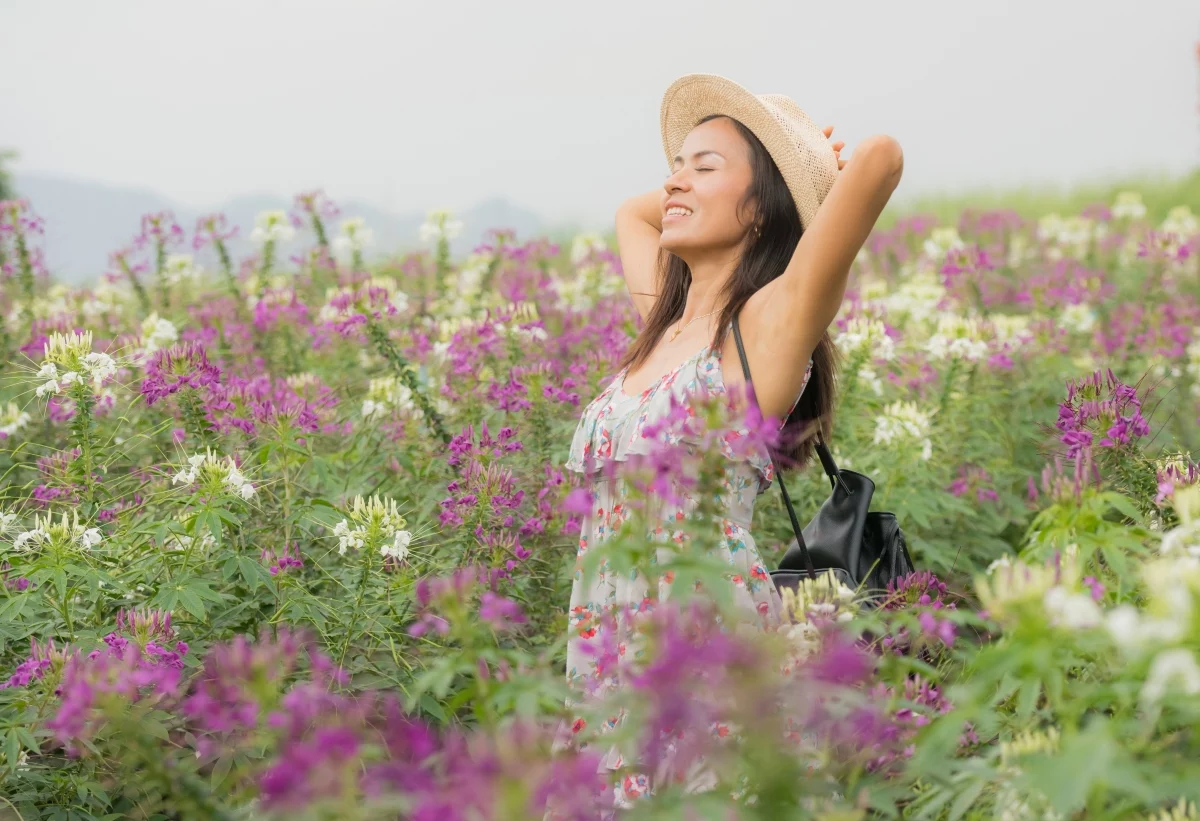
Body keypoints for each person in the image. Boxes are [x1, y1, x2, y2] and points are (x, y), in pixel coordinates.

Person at [556, 72, 903, 811]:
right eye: (675, 166)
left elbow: (880, 158)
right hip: (610, 659)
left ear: (761, 203)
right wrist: (703, 179)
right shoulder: (666, 320)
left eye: (702, 167)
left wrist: (805, 162)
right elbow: (632, 214)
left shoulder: (770, 326)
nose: (673, 182)